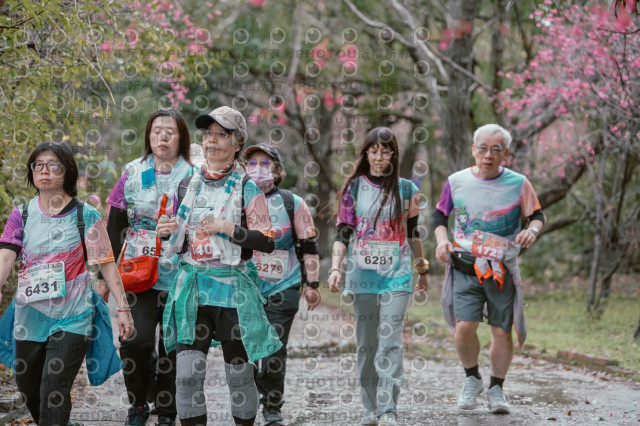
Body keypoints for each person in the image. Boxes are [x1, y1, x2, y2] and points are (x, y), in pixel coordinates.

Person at [157, 106, 282, 426]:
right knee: (186, 376)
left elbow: (267, 241)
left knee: (238, 377)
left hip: (232, 293)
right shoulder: (187, 184)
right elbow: (180, 238)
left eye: (221, 135)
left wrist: (227, 228)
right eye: (208, 134)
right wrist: (167, 231)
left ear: (237, 142)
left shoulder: (248, 187)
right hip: (193, 290)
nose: (211, 140)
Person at [0, 141, 134, 426]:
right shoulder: (21, 215)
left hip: (73, 316)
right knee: (28, 388)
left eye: (53, 165)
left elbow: (107, 264)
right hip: (30, 317)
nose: (44, 171)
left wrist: (123, 308)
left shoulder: (86, 215)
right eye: (38, 165)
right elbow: (6, 257)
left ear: (67, 171)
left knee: (54, 388)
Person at [433, 124, 545, 414]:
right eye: (482, 148)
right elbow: (439, 215)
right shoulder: (456, 181)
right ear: (474, 149)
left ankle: (497, 389)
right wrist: (442, 241)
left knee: (501, 331)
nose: (488, 155)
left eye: (496, 150)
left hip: (500, 270)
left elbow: (537, 215)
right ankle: (472, 379)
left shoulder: (519, 183)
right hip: (464, 266)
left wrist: (532, 230)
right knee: (464, 327)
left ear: (505, 154)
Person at [327, 127, 429, 426]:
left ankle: (388, 410)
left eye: (385, 151)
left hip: (397, 274)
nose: (380, 156)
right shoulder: (354, 189)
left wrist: (422, 269)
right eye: (374, 151)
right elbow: (343, 234)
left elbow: (413, 233)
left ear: (393, 154)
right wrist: (335, 268)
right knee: (367, 343)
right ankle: (369, 408)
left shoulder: (407, 189)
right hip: (363, 275)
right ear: (366, 153)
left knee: (391, 340)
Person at [104, 108, 195, 426]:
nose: (163, 136)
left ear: (181, 137)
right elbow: (115, 225)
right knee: (134, 341)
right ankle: (138, 404)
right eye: (157, 130)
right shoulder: (132, 171)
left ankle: (167, 411)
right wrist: (103, 276)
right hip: (138, 274)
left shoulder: (195, 174)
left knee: (173, 348)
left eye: (170, 131)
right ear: (148, 135)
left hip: (181, 276)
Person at [244, 143, 321, 425]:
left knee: (274, 346)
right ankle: (250, 394)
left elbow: (309, 245)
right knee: (245, 348)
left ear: (278, 171)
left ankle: (272, 406)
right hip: (245, 288)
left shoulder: (293, 203)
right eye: (252, 163)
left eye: (265, 163)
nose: (258, 169)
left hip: (283, 285)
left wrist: (312, 284)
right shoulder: (237, 200)